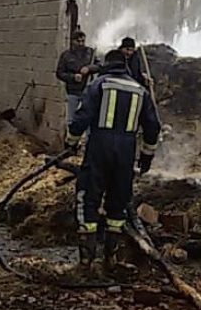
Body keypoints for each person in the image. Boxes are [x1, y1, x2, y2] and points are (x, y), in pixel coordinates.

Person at [66, 49, 161, 272]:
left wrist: (71, 142)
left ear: (107, 65)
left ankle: (86, 261)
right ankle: (111, 258)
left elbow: (81, 117)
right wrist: (146, 158)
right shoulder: (140, 90)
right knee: (118, 202)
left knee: (89, 197)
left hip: (99, 148)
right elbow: (152, 127)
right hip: (126, 152)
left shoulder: (98, 85)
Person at [56, 29, 101, 124]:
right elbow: (59, 73)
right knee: (72, 119)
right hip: (73, 92)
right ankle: (71, 137)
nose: (81, 44)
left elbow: (100, 66)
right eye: (78, 41)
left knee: (89, 118)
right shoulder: (66, 55)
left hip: (88, 91)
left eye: (83, 41)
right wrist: (73, 77)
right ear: (72, 41)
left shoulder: (90, 53)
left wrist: (89, 68)